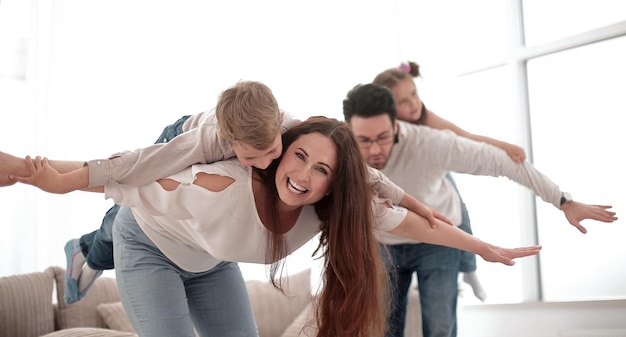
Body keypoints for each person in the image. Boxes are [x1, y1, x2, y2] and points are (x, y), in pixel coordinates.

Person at [11, 116, 542, 337]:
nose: (303, 175)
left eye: (322, 170)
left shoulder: (328, 209)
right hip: (150, 242)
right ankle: (87, 250)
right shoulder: (222, 182)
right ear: (281, 151)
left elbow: (418, 226)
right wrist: (32, 174)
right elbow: (129, 175)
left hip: (210, 262)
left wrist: (485, 247)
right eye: (300, 157)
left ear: (334, 185)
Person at [0, 80, 445, 304]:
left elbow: (362, 175)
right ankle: (87, 253)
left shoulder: (290, 132)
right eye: (254, 157)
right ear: (230, 145)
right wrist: (47, 179)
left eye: (274, 150)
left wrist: (414, 202)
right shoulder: (200, 143)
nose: (270, 163)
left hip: (234, 146)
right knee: (133, 203)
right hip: (176, 143)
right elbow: (127, 168)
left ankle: (91, 250)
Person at [342, 83, 617, 337]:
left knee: (439, 326)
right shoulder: (343, 153)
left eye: (383, 136)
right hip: (384, 241)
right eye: (364, 140)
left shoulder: (432, 143)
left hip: (438, 236)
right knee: (381, 328)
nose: (375, 149)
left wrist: (563, 200)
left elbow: (504, 163)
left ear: (396, 125)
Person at [374, 61, 528, 301]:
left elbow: (466, 137)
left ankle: (469, 268)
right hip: (398, 188)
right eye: (403, 101)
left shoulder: (426, 119)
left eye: (414, 94)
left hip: (430, 175)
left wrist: (504, 147)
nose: (414, 103)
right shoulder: (377, 131)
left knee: (453, 200)